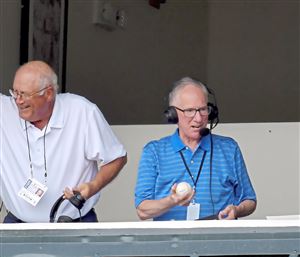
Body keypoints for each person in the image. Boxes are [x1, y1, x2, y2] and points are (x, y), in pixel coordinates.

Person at [0, 60, 127, 223]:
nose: (18, 101)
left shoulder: (82, 112)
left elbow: (117, 157)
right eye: (15, 93)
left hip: (74, 221)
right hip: (17, 223)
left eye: (24, 94)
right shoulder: (4, 111)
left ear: (48, 93)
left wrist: (93, 187)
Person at [135, 77, 256, 221]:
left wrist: (236, 210)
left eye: (203, 109)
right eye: (190, 111)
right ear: (173, 114)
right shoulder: (154, 152)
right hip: (172, 242)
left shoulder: (229, 148)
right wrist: (173, 200)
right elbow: (142, 210)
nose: (198, 118)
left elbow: (250, 200)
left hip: (218, 240)